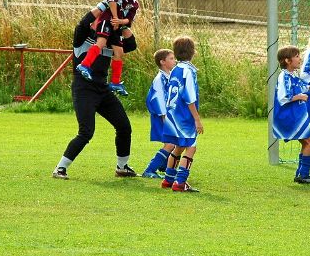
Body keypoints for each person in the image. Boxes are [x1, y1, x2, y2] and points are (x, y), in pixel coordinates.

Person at [53, 10, 138, 180]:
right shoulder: (83, 38)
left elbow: (131, 45)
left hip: (103, 89)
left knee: (124, 126)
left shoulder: (109, 41)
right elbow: (84, 22)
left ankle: (122, 167)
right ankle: (60, 168)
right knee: (86, 132)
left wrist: (122, 24)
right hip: (84, 89)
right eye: (102, 18)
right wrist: (105, 4)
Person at [76, 0, 147, 96]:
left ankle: (115, 82)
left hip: (117, 26)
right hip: (107, 21)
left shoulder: (135, 3)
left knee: (119, 52)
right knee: (101, 43)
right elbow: (112, 1)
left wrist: (120, 21)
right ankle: (85, 65)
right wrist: (114, 18)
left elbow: (129, 20)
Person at [161, 36, 203, 192]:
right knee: (191, 146)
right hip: (184, 115)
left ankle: (168, 179)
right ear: (192, 52)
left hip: (172, 113)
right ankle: (180, 182)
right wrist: (197, 119)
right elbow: (189, 96)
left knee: (178, 146)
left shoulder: (175, 70)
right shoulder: (188, 71)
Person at [271, 45, 310, 184]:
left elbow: (303, 87)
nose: (299, 59)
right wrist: (300, 97)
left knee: (306, 142)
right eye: (296, 56)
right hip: (289, 117)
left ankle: (301, 174)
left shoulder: (292, 75)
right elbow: (283, 97)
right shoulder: (284, 76)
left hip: (297, 116)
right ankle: (303, 174)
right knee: (309, 142)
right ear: (287, 60)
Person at [141, 48, 177, 179]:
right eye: (171, 59)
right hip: (163, 116)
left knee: (173, 142)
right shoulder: (159, 79)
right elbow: (158, 98)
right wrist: (164, 116)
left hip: (169, 116)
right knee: (171, 143)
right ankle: (149, 169)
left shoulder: (169, 76)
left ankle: (164, 166)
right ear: (162, 62)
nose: (175, 61)